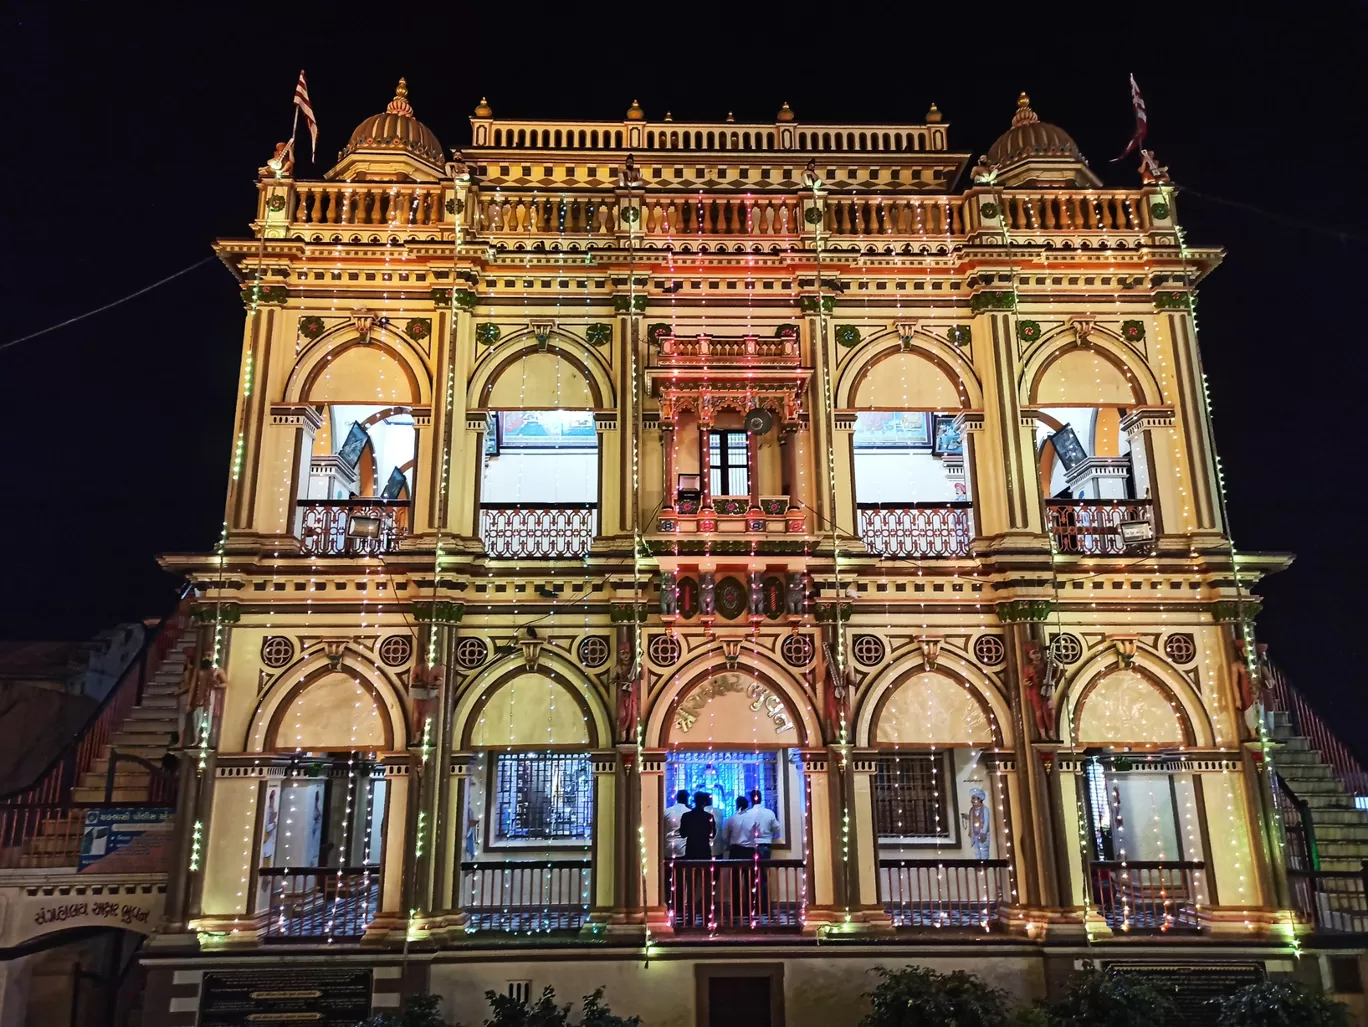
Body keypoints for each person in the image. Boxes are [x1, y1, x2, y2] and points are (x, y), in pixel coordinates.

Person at [676, 793, 716, 928]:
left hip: (691, 854)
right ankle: (706, 917)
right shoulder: (709, 817)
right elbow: (712, 835)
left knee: (691, 887)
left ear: (694, 801)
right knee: (706, 887)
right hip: (705, 854)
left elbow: (682, 833)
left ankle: (690, 917)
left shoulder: (686, 816)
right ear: (704, 803)